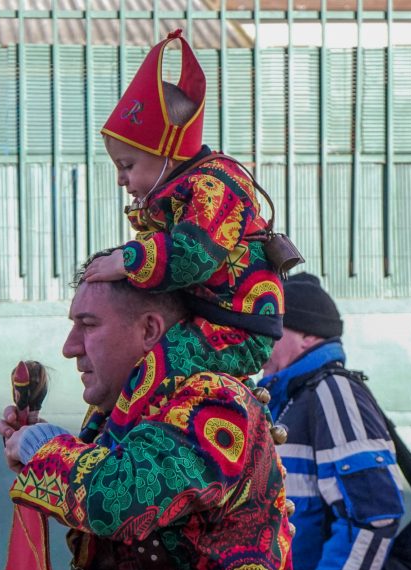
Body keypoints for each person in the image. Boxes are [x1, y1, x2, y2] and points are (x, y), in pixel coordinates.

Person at [0, 250, 295, 570]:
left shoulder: (213, 401)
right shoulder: (119, 415)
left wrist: (43, 450)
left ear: (150, 329)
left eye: (88, 325)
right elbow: (87, 484)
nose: (69, 347)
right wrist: (36, 451)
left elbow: (117, 499)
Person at [83, 28, 287, 379]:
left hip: (236, 333)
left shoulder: (213, 188)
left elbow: (193, 257)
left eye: (128, 166)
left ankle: (116, 437)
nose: (120, 179)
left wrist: (127, 261)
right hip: (208, 319)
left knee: (152, 370)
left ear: (170, 155)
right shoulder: (179, 194)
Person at [257, 273, 404, 570]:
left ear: (308, 336)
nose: (260, 342)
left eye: (273, 330)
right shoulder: (288, 398)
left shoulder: (333, 391)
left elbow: (375, 511)